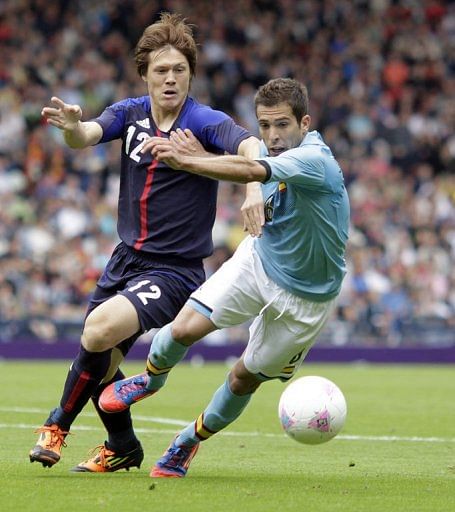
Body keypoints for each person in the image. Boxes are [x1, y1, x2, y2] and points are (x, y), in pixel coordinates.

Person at [29, 12, 261, 473]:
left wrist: (254, 187)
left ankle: (57, 425)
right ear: (145, 76)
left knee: (96, 331)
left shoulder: (205, 121)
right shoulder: (129, 112)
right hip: (125, 260)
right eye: (161, 71)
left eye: (179, 70)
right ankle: (123, 447)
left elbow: (251, 146)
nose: (170, 79)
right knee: (100, 361)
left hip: (174, 271)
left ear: (191, 74)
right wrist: (73, 126)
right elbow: (86, 135)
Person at [99, 77, 351, 478]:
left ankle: (187, 442)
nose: (272, 136)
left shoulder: (315, 160)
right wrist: (204, 157)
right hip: (257, 262)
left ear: (305, 123)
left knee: (243, 377)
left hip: (306, 299)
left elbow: (253, 167)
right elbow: (252, 171)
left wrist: (187, 161)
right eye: (264, 126)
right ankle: (150, 379)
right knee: (182, 330)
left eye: (282, 125)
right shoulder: (277, 152)